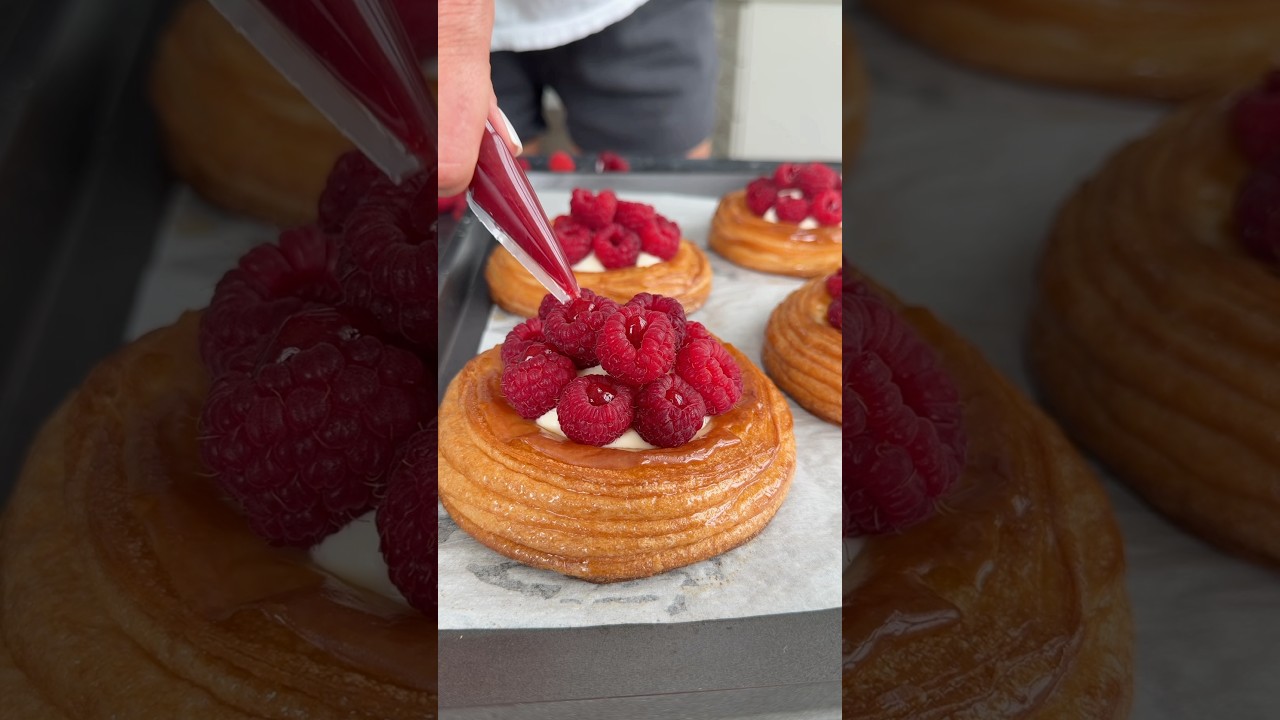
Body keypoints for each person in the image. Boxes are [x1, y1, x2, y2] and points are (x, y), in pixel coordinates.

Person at [438, 0, 718, 197]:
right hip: (468, 25)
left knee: (656, 195)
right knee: (486, 212)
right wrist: (457, 35)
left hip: (633, 9)